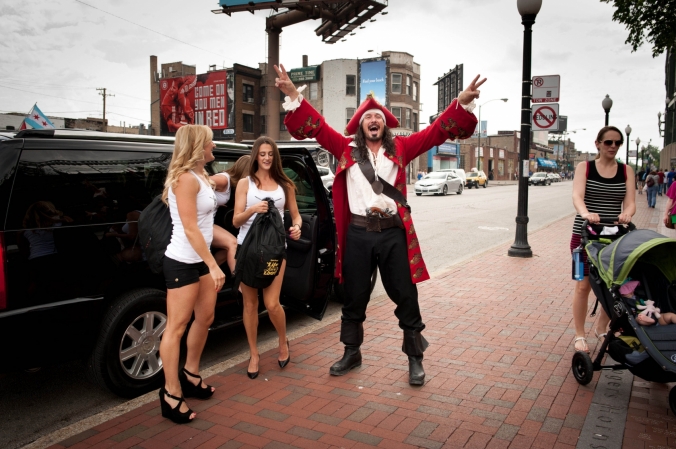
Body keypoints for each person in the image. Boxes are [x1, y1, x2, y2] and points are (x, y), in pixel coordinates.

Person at [274, 63, 482, 385]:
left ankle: (415, 358)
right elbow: (317, 127)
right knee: (354, 296)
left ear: (385, 127)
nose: (374, 121)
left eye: (379, 119)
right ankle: (351, 352)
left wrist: (462, 103)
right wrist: (292, 95)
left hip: (391, 233)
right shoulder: (344, 148)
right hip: (358, 233)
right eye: (369, 118)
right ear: (360, 125)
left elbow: (435, 132)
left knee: (405, 295)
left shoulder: (402, 147)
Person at [158, 125, 225, 424]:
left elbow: (216, 195)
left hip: (199, 261)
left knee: (206, 318)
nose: (214, 146)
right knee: (176, 326)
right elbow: (189, 228)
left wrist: (237, 177)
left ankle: (190, 374)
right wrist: (213, 264)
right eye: (210, 142)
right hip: (183, 262)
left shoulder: (201, 176)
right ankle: (171, 393)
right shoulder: (185, 179)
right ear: (197, 146)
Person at [233, 136, 302, 379]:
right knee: (250, 305)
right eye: (262, 153)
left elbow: (295, 216)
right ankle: (254, 354)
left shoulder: (285, 184)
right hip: (248, 250)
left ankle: (283, 342)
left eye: (270, 154)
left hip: (275, 250)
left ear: (275, 157)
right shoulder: (245, 184)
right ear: (256, 156)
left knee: (272, 304)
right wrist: (252, 209)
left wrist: (297, 227)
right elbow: (235, 220)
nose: (266, 158)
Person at [571, 126, 635, 353]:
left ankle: (601, 328)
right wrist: (586, 213)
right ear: (597, 143)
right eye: (608, 142)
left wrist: (627, 213)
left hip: (615, 236)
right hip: (585, 236)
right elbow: (577, 196)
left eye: (618, 143)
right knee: (583, 286)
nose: (613, 147)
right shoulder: (585, 167)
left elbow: (630, 202)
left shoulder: (627, 170)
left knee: (613, 286)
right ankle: (579, 335)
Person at [210, 155, 250, 273]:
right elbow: (197, 181)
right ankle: (238, 284)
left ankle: (208, 274)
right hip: (200, 222)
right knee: (234, 244)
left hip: (209, 221)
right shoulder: (224, 179)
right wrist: (211, 201)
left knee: (233, 247)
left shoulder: (231, 183)